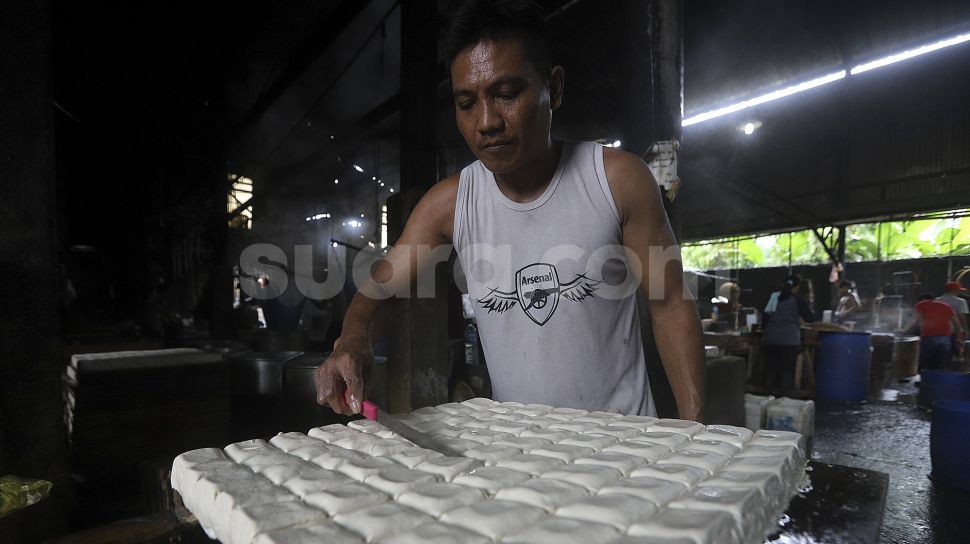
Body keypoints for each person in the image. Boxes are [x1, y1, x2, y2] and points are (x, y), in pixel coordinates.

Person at [314, 0, 704, 420]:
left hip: (622, 445)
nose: (486, 122)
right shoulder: (449, 204)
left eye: (505, 94)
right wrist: (352, 339)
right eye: (467, 103)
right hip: (519, 451)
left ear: (553, 88)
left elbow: (670, 304)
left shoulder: (617, 180)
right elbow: (382, 288)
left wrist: (694, 432)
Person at [761, 274, 815, 397]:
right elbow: (810, 318)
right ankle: (783, 399)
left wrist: (767, 333)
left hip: (771, 339)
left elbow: (765, 318)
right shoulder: (797, 299)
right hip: (790, 340)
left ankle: (766, 398)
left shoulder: (774, 297)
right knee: (787, 370)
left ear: (783, 284)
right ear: (796, 287)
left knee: (771, 369)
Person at [899, 293, 961, 371]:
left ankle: (926, 379)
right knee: (942, 361)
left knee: (926, 361)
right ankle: (941, 379)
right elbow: (957, 323)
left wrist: (903, 330)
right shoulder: (946, 306)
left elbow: (914, 319)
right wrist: (958, 338)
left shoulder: (920, 304)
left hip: (929, 336)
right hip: (945, 337)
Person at [937, 281, 968, 359]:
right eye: (958, 290)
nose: (959, 292)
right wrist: (966, 330)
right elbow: (962, 317)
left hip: (939, 331)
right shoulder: (960, 301)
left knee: (941, 354)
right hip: (955, 331)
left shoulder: (937, 300)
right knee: (957, 353)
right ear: (954, 290)